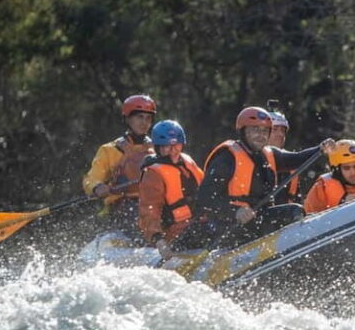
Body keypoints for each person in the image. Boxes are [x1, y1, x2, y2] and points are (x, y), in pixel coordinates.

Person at [176, 106, 335, 249]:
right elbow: (205, 198)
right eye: (255, 130)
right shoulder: (227, 158)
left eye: (265, 131)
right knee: (289, 213)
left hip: (256, 220)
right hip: (226, 224)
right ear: (243, 131)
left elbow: (295, 159)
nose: (261, 135)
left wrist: (319, 149)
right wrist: (235, 212)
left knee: (294, 211)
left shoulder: (269, 154)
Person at [82, 94, 157, 232]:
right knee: (137, 212)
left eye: (148, 118)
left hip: (153, 205)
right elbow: (91, 178)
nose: (144, 122)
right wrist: (97, 187)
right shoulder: (109, 150)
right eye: (139, 117)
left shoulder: (157, 149)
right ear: (128, 118)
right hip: (124, 209)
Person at [138, 120, 204, 258]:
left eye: (177, 145)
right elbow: (149, 210)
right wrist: (159, 240)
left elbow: (206, 189)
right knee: (206, 230)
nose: (173, 150)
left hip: (198, 222)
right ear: (158, 148)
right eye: (167, 146)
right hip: (176, 233)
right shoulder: (153, 173)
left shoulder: (187, 161)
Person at [304, 139, 355, 214]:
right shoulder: (321, 188)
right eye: (346, 168)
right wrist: (341, 206)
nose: (353, 172)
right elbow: (310, 223)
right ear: (337, 169)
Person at [267, 103, 301, 204]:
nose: (280, 134)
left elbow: (297, 200)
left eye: (283, 130)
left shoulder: (291, 162)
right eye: (275, 129)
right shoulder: (252, 158)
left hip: (285, 216)